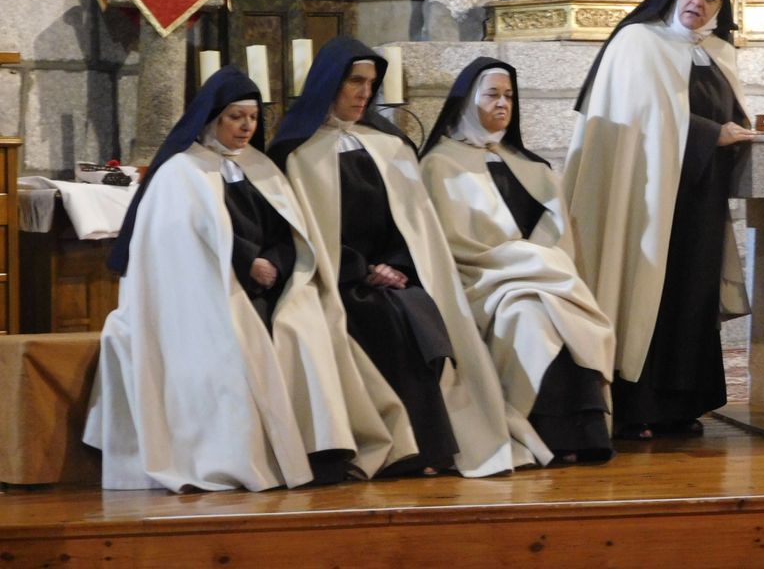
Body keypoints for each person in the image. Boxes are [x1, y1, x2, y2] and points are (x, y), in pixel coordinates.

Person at [84, 66, 403, 492]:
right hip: (209, 292)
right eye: (236, 117)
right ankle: (254, 457)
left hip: (271, 286)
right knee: (240, 341)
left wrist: (275, 261)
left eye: (252, 118)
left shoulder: (259, 166)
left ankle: (323, 452)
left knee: (309, 328)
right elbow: (182, 243)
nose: (246, 127)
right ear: (212, 118)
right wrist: (249, 261)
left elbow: (292, 233)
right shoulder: (181, 171)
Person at [269, 37, 551, 477]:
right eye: (355, 82)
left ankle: (434, 448)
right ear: (329, 83)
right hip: (335, 278)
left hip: (393, 274)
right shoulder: (296, 152)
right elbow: (299, 232)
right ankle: (408, 450)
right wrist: (360, 270)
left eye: (371, 84)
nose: (365, 93)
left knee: (422, 317)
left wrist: (397, 264)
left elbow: (414, 223)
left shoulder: (390, 146)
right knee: (386, 321)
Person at [562, 0, 755, 440]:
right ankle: (636, 407)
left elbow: (725, 112)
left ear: (720, 9)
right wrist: (713, 134)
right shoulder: (638, 41)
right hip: (644, 194)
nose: (698, 3)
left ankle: (680, 405)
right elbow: (641, 119)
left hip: (699, 196)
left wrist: (736, 133)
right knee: (645, 291)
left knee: (692, 297)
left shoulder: (718, 52)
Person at [420, 57, 615, 463]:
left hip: (540, 275)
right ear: (467, 101)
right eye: (492, 94)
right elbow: (452, 243)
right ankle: (549, 434)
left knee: (566, 315)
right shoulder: (439, 165)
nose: (503, 103)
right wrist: (525, 261)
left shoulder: (529, 165)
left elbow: (558, 235)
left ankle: (586, 433)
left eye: (509, 96)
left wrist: (535, 262)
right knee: (529, 316)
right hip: (481, 282)